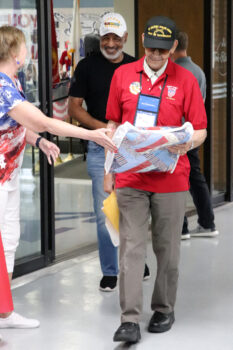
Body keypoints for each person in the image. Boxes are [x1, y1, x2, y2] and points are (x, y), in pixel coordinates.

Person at [0, 25, 116, 329]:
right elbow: (43, 120)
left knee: (9, 242)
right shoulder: (2, 87)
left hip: (8, 176)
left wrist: (39, 141)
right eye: (24, 46)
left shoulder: (13, 80)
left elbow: (18, 125)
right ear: (14, 53)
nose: (28, 51)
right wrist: (93, 134)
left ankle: (4, 311)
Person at [104, 16, 207, 343]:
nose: (156, 55)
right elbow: (112, 123)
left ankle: (164, 308)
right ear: (143, 42)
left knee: (167, 248)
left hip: (171, 180)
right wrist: (109, 169)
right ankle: (129, 319)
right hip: (131, 176)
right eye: (150, 48)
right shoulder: (122, 75)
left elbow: (201, 128)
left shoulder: (186, 80)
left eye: (163, 50)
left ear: (174, 47)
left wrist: (186, 142)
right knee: (131, 248)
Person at [68, 12, 150, 292]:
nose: (111, 43)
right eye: (106, 37)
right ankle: (111, 271)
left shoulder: (137, 66)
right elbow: (74, 108)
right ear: (100, 38)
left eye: (116, 37)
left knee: (135, 208)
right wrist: (102, 129)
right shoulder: (87, 66)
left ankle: (137, 261)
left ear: (125, 38)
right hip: (99, 147)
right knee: (106, 211)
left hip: (133, 147)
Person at [172, 31, 219, 240]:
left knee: (175, 180)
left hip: (177, 134)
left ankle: (181, 227)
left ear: (173, 47)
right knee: (195, 177)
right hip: (194, 133)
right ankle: (207, 222)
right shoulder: (199, 71)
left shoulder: (175, 72)